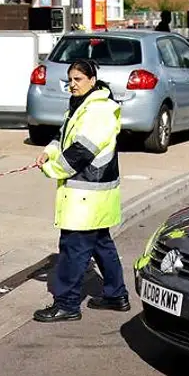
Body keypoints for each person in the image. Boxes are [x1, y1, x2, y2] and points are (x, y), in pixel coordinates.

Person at [33, 59, 130, 322]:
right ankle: (115, 294)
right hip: (95, 194)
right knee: (101, 245)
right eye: (70, 80)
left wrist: (51, 169)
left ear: (92, 80)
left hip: (87, 194)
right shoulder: (82, 106)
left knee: (73, 248)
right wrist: (48, 152)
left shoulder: (98, 110)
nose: (72, 85)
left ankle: (66, 304)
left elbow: (81, 151)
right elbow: (63, 136)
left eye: (78, 79)